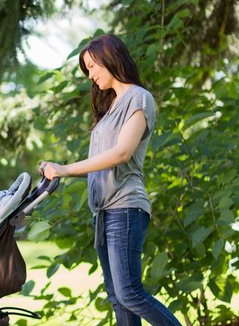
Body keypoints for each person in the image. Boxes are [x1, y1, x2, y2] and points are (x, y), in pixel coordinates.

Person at [38, 34, 181, 326]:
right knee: (117, 297)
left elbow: (122, 152)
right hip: (104, 213)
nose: (91, 75)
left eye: (92, 66)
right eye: (87, 69)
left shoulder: (138, 98)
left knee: (130, 293)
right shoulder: (110, 108)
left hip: (125, 207)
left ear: (110, 58)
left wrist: (64, 169)